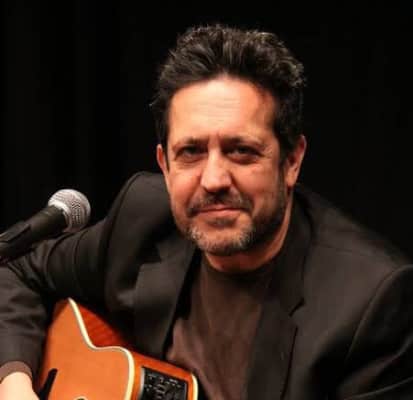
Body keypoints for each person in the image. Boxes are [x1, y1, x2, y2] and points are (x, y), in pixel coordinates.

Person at [0, 24, 413, 400]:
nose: (213, 179)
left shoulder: (369, 302)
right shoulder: (143, 221)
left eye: (241, 151)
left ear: (291, 161)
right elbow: (16, 269)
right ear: (164, 165)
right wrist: (14, 382)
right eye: (191, 152)